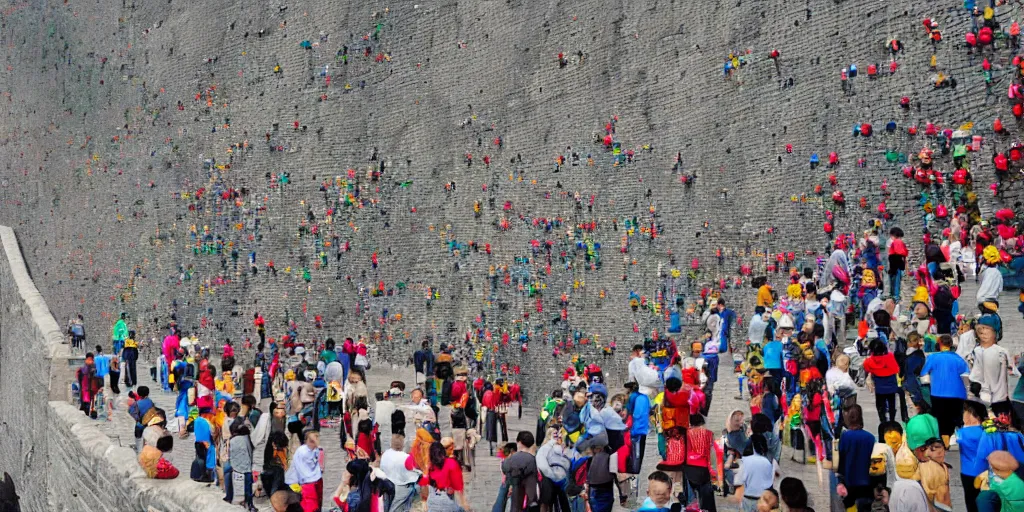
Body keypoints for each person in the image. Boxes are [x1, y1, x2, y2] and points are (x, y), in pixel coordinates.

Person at [920, 334, 969, 446]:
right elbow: (967, 375)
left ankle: (944, 442)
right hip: (957, 393)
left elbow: (923, 374)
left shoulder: (932, 358)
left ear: (939, 344)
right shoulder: (959, 359)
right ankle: (955, 437)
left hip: (938, 393)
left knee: (941, 419)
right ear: (951, 345)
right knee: (955, 418)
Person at [970, 314, 1013, 419]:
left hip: (985, 398)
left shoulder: (977, 351)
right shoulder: (1002, 351)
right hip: (1000, 399)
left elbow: (974, 376)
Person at [836, 405, 876, 512]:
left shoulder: (845, 436)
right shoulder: (871, 438)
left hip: (850, 481)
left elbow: (841, 458)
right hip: (867, 482)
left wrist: (840, 480)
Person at [684, 413, 723, 512]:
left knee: (690, 500)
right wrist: (714, 472)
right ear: (702, 423)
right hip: (703, 469)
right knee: (707, 499)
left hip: (689, 468)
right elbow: (713, 454)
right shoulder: (709, 434)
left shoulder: (685, 434)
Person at [731, 433, 775, 512]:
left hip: (748, 500)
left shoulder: (745, 461)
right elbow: (770, 483)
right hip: (763, 500)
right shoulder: (767, 462)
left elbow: (738, 481)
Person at [959, 400, 989, 512]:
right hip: (985, 472)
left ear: (971, 414)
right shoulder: (987, 431)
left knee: (971, 502)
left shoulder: (962, 433)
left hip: (967, 472)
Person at [863, 339, 899, 422]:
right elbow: (896, 369)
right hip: (891, 385)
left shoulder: (869, 361)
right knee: (892, 404)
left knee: (880, 405)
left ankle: (882, 421)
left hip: (879, 387)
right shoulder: (890, 357)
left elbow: (867, 368)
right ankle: (892, 420)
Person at [536, 429, 572, 512]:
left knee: (560, 502)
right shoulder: (546, 448)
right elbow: (542, 465)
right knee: (548, 502)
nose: (558, 437)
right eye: (555, 434)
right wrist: (552, 475)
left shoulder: (561, 448)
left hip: (558, 479)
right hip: (549, 479)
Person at [381, 434, 420, 512]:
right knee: (397, 508)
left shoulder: (386, 454)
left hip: (388, 483)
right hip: (402, 486)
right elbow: (415, 471)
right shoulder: (405, 457)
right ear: (403, 444)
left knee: (389, 506)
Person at [287, 431, 324, 511]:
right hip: (307, 483)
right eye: (312, 440)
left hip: (317, 481)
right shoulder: (302, 451)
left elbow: (321, 465)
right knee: (311, 506)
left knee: (318, 504)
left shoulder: (317, 450)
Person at [504, 431, 539, 512]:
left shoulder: (512, 458)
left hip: (516, 492)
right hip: (530, 496)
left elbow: (505, 467)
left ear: (519, 442)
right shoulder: (532, 459)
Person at [227, 420, 257, 511]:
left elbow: (230, 455)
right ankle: (249, 504)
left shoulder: (232, 440)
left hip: (236, 467)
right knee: (248, 487)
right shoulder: (247, 438)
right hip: (247, 466)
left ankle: (232, 499)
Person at [128, 386, 154, 453]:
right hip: (149, 423)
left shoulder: (137, 403)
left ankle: (139, 450)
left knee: (138, 437)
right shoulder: (150, 402)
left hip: (140, 424)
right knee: (146, 437)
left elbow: (130, 411)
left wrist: (137, 418)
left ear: (138, 394)